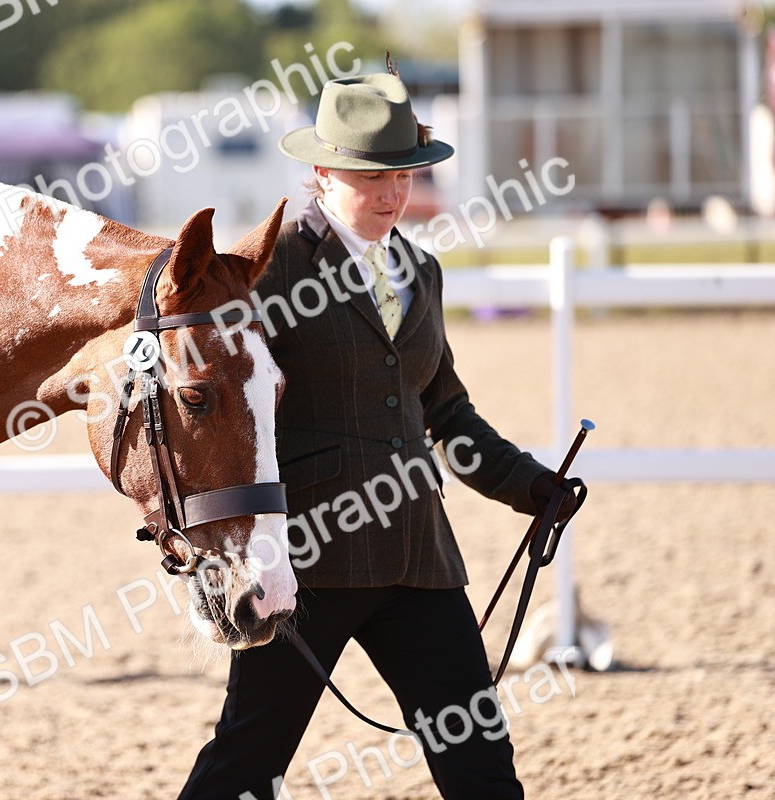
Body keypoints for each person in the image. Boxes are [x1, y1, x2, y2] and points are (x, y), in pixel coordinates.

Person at [178, 73, 579, 799]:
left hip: (418, 563)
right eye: (371, 177)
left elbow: (446, 410)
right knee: (248, 760)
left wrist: (529, 484)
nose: (392, 194)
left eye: (403, 174)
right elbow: (220, 413)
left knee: (481, 761)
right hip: (305, 567)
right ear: (322, 172)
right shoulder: (265, 271)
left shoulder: (421, 270)